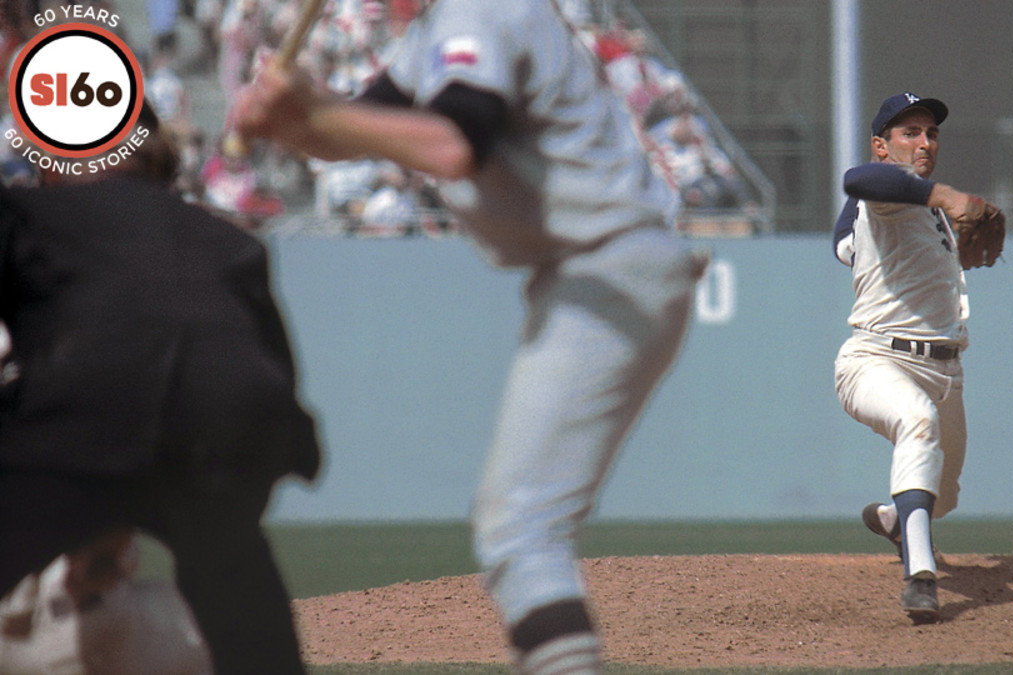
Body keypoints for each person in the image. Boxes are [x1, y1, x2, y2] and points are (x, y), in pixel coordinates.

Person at [231, 1, 706, 672]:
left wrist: (313, 113)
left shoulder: (473, 11)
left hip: (608, 266)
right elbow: (358, 130)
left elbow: (453, 146)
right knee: (519, 524)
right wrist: (293, 118)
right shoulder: (432, 32)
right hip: (595, 270)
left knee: (521, 529)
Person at [0, 105, 321, 674]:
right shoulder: (227, 241)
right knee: (233, 575)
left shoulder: (32, 214)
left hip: (90, 408)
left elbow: (121, 382)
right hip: (235, 424)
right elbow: (268, 382)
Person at [832, 92, 997, 623]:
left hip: (946, 372)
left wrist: (851, 238)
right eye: (909, 133)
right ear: (881, 146)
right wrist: (947, 195)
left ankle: (895, 521)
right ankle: (920, 578)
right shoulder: (890, 198)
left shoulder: (925, 214)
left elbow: (844, 239)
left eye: (931, 133)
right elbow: (859, 181)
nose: (924, 142)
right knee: (916, 423)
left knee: (941, 497)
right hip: (876, 360)